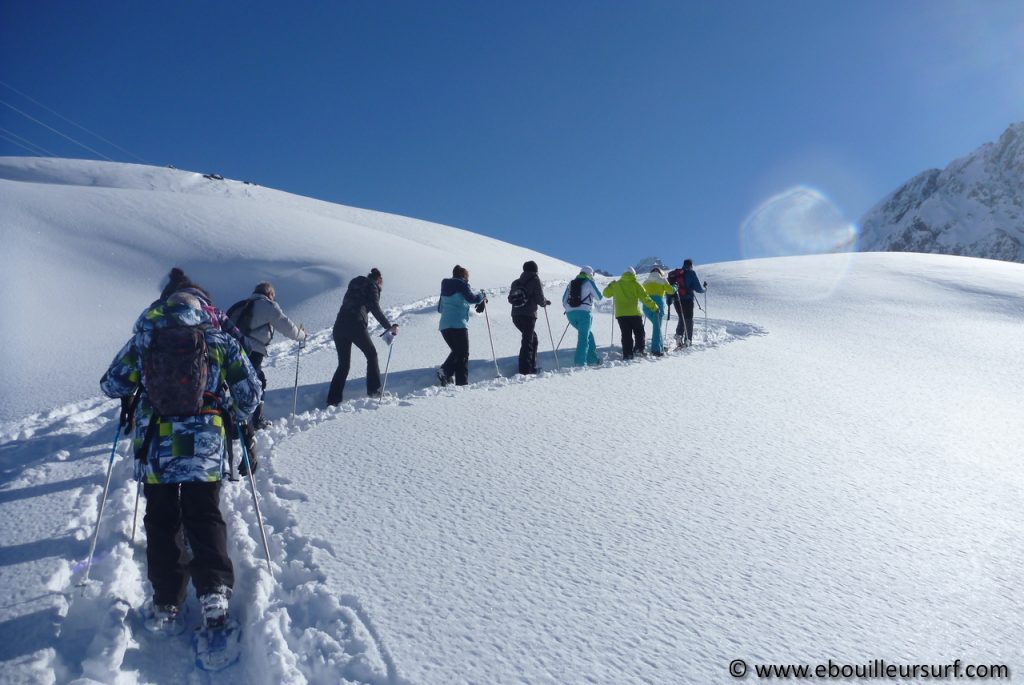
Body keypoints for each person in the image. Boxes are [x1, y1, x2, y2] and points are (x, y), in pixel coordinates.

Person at [100, 291, 263, 632]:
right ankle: (214, 592)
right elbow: (250, 390)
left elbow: (112, 383)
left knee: (161, 519)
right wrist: (232, 415)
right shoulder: (218, 341)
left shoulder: (143, 341)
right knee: (203, 513)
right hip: (204, 440)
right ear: (200, 311)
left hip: (156, 442)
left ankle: (166, 599)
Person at [227, 282, 306, 432]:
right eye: (273, 296)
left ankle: (236, 420)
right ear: (269, 294)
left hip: (232, 350)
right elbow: (287, 327)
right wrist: (301, 336)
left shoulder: (242, 305)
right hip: (252, 351)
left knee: (238, 384)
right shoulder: (268, 306)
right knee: (258, 383)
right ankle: (255, 420)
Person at [327, 268, 399, 405]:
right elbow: (375, 308)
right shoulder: (372, 286)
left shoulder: (355, 283)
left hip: (339, 325)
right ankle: (374, 390)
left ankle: (333, 399)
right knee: (372, 355)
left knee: (343, 365)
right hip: (355, 324)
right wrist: (389, 327)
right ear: (378, 281)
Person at [436, 265, 487, 386]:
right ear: (464, 276)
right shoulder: (462, 285)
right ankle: (460, 383)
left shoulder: (445, 287)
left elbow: (439, 309)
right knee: (463, 354)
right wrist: (482, 296)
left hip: (444, 326)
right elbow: (472, 299)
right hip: (458, 324)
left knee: (457, 352)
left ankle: (446, 373)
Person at [602, 267, 658, 360]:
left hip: (621, 315)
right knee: (639, 332)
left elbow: (606, 294)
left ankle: (627, 354)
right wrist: (654, 307)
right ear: (634, 274)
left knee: (626, 334)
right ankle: (639, 350)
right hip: (634, 313)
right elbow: (645, 298)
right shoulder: (636, 284)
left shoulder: (616, 284)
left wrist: (610, 285)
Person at [508, 260, 550, 375]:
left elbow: (510, 299)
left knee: (532, 339)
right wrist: (545, 302)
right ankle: (526, 370)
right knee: (528, 341)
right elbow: (540, 299)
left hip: (516, 316)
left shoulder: (516, 282)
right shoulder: (535, 280)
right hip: (529, 315)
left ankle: (530, 366)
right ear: (535, 270)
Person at [561, 266, 603, 367]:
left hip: (570, 315)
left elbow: (563, 300)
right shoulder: (589, 282)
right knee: (583, 337)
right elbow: (599, 297)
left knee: (588, 335)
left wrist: (571, 309)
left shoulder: (571, 283)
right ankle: (580, 363)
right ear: (590, 274)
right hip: (584, 314)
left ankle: (592, 359)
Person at [667, 258, 707, 347]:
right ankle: (688, 340)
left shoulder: (677, 273)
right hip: (687, 300)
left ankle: (678, 336)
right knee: (688, 320)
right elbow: (698, 288)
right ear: (691, 265)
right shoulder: (691, 273)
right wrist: (705, 289)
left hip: (676, 300)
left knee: (682, 318)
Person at [642, 267, 675, 356]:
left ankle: (660, 345)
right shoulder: (662, 280)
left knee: (657, 327)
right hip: (658, 306)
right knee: (657, 327)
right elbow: (670, 291)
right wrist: (675, 287)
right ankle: (656, 349)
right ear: (660, 273)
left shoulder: (645, 282)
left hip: (646, 306)